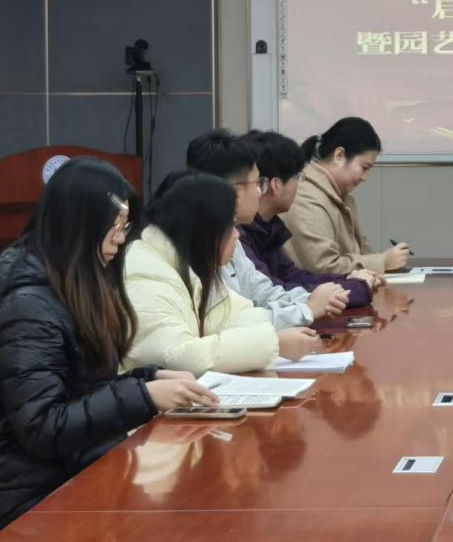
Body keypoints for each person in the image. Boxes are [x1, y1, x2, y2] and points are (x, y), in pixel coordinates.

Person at [0, 158, 217, 542]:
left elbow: (79, 387)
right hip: (21, 495)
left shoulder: (67, 281)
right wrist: (143, 396)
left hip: (62, 473)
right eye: (114, 226)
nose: (120, 239)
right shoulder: (27, 304)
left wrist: (147, 378)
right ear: (80, 222)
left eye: (125, 226)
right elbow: (42, 426)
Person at [124, 171, 320, 375]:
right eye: (231, 225)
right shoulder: (145, 274)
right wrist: (275, 343)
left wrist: (288, 328)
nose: (237, 235)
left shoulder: (190, 264)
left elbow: (235, 316)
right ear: (205, 229)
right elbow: (176, 357)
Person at [186, 130, 348, 326]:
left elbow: (262, 292)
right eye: (257, 184)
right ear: (235, 191)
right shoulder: (200, 241)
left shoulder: (229, 232)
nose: (260, 192)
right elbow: (232, 323)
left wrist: (312, 300)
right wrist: (307, 309)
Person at [239, 130, 383, 308]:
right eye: (297, 177)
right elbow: (275, 293)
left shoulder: (267, 227)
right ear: (275, 185)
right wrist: (356, 288)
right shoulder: (238, 234)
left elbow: (292, 276)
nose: (299, 185)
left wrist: (349, 279)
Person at [284, 117, 411, 276]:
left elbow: (361, 253)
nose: (365, 177)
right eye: (364, 167)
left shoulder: (341, 198)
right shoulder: (305, 197)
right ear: (339, 155)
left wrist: (386, 261)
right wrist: (383, 262)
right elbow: (323, 267)